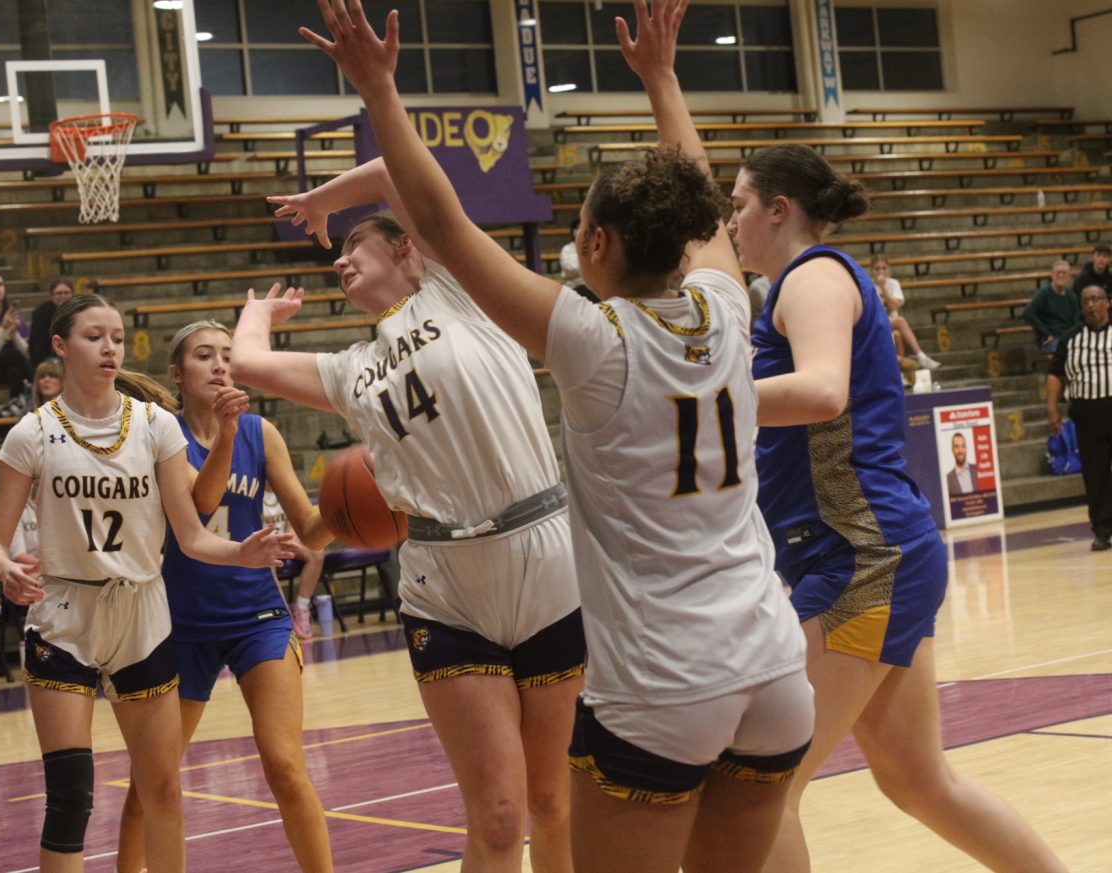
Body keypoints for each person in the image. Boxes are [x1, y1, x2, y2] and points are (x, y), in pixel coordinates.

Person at [291, 3, 814, 872]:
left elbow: (442, 220)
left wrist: (380, 88)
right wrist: (662, 79)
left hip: (664, 679)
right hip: (771, 665)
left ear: (601, 243)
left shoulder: (595, 340)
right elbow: (697, 194)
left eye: (577, 234)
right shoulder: (727, 305)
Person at [238, 127, 584, 873]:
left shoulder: (460, 291)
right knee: (496, 815)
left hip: (546, 553)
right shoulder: (349, 367)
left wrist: (323, 200)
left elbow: (401, 169)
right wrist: (258, 312)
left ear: (404, 250)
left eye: (351, 249)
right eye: (336, 255)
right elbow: (246, 364)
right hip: (443, 577)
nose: (338, 261)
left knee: (555, 800)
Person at [730, 144, 1068, 870]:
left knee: (763, 786)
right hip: (879, 554)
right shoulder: (802, 282)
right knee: (920, 781)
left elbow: (824, 388)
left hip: (863, 559)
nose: (730, 222)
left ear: (778, 210)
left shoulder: (812, 277)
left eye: (738, 205)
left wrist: (707, 399)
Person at [0, 293, 298, 873]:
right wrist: (3, 567)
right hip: (65, 614)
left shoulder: (154, 425)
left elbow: (193, 533)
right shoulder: (30, 434)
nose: (109, 348)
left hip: (144, 615)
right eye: (94, 336)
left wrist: (243, 552)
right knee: (71, 797)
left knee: (164, 791)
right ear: (59, 345)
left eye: (117, 338)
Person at [116, 319, 334, 873]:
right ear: (177, 373)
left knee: (285, 765)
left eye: (228, 355)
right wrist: (229, 434)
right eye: (204, 355)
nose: (219, 364)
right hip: (179, 623)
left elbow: (309, 532)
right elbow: (202, 503)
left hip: (257, 615)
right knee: (151, 783)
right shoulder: (159, 434)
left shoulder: (263, 434)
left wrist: (352, 508)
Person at [1047, 284, 1112, 551]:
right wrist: (1052, 408)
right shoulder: (1071, 338)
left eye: (1096, 299)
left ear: (1108, 302)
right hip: (1087, 413)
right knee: (1095, 475)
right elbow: (1054, 374)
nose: (1091, 305)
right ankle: (1102, 529)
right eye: (1086, 301)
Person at [262, 486, 328, 640]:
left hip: (283, 540)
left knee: (317, 553)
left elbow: (294, 522)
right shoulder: (255, 489)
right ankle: (273, 615)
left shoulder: (285, 487)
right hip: (262, 545)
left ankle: (302, 606)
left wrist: (290, 537)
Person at [869, 256, 940, 370]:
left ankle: (899, 372)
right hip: (876, 321)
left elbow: (893, 307)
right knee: (901, 321)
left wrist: (884, 290)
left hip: (890, 319)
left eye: (884, 268)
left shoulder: (893, 283)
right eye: (877, 269)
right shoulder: (868, 285)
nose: (881, 272)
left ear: (889, 269)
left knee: (897, 335)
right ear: (872, 271)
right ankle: (920, 356)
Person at [1023, 259, 1080, 355]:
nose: (1061, 276)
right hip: (1051, 338)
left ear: (1069, 276)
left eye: (1064, 273)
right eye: (1058, 272)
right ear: (1052, 275)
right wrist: (1045, 334)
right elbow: (1028, 313)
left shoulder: (1072, 296)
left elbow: (1076, 321)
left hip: (1068, 337)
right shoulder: (1044, 293)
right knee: (1063, 352)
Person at [30, 279, 75, 366]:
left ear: (72, 295)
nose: (63, 296)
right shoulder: (41, 313)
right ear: (51, 296)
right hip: (49, 357)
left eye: (66, 293)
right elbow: (36, 344)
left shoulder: (79, 312)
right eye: (59, 293)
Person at [559, 218, 598, 304]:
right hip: (575, 287)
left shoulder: (594, 248)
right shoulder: (567, 249)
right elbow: (570, 267)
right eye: (578, 228)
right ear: (573, 231)